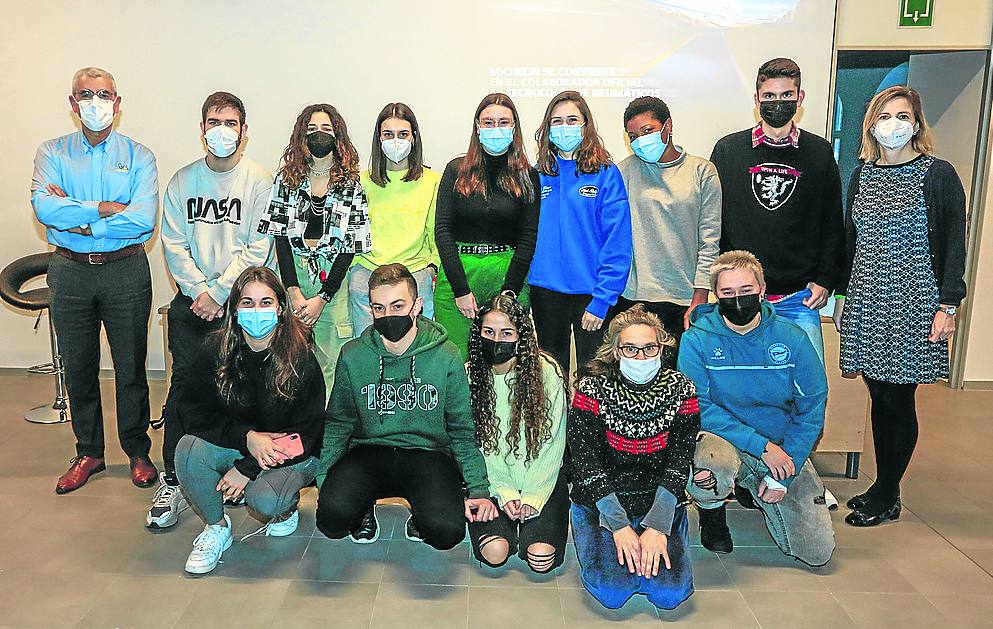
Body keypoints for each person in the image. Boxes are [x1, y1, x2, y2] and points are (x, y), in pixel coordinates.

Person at [834, 86, 967, 527]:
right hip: (868, 299)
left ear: (917, 122)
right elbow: (852, 243)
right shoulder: (863, 175)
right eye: (884, 116)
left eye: (902, 115)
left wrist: (948, 304)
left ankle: (889, 491)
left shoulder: (937, 174)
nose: (893, 124)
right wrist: (841, 296)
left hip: (916, 302)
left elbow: (953, 245)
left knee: (898, 398)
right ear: (871, 124)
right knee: (877, 393)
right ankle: (882, 485)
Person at [31, 67, 159, 494]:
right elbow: (45, 210)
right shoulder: (52, 152)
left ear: (118, 103)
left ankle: (137, 451)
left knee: (130, 367)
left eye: (104, 94)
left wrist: (80, 216)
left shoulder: (140, 156)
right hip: (69, 272)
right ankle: (89, 452)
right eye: (85, 94)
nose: (95, 102)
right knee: (79, 367)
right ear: (72, 103)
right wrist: (105, 208)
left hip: (125, 269)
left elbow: (142, 219)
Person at [150, 91, 274, 529]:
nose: (222, 130)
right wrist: (199, 292)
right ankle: (173, 478)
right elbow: (174, 242)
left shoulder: (260, 180)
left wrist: (222, 293)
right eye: (213, 122)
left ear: (244, 131)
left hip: (242, 303)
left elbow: (258, 245)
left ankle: (236, 472)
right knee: (185, 387)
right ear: (202, 129)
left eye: (230, 122)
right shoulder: (183, 181)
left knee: (241, 388)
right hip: (192, 302)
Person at [315, 263, 496, 550]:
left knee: (446, 532)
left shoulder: (447, 355)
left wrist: (479, 489)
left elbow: (461, 428)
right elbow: (339, 421)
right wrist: (325, 476)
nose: (388, 315)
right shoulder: (353, 355)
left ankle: (421, 512)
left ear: (417, 306)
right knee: (331, 519)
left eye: (397, 305)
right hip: (368, 451)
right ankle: (363, 505)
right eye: (379, 308)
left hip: (428, 452)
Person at [680, 251, 834, 566]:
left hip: (780, 446)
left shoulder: (793, 339)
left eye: (747, 291)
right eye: (728, 293)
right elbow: (699, 406)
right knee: (710, 462)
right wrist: (760, 447)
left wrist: (784, 475)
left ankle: (756, 487)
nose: (738, 299)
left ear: (762, 290)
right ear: (716, 295)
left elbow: (812, 408)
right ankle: (712, 514)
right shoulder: (696, 340)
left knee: (816, 552)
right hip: (723, 441)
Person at [174, 267, 325, 574]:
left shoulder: (301, 358)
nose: (257, 311)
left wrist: (247, 469)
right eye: (248, 302)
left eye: (266, 303)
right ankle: (217, 527)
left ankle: (286, 510)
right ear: (234, 308)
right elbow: (192, 412)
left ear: (281, 309)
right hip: (242, 444)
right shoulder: (214, 351)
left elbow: (307, 433)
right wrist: (247, 438)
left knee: (265, 501)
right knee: (188, 449)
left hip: (292, 453)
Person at [709, 57, 844, 362]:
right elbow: (713, 221)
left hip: (799, 298)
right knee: (741, 385)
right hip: (740, 297)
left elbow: (832, 223)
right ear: (757, 100)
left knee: (807, 389)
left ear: (800, 98)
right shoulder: (728, 150)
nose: (778, 103)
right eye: (769, 96)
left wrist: (826, 279)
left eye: (787, 95)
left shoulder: (819, 152)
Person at [568, 305, 699, 610]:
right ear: (615, 351)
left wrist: (657, 526)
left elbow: (680, 460)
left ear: (661, 347)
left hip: (659, 501)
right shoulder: (591, 390)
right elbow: (586, 463)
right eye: (630, 349)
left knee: (670, 596)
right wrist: (620, 526)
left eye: (648, 348)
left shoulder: (682, 389)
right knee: (612, 593)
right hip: (601, 502)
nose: (641, 357)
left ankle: (667, 534)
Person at [258, 104, 372, 396]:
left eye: (325, 129)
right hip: (292, 276)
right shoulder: (286, 180)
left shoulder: (352, 185)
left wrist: (323, 298)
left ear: (338, 136)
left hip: (333, 282)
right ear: (300, 137)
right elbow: (279, 237)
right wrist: (293, 290)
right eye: (311, 130)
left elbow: (350, 247)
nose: (318, 136)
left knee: (333, 362)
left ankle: (328, 433)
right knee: (288, 358)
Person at [529, 90, 632, 379]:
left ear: (586, 124)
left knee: (594, 377)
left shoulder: (606, 174)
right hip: (546, 292)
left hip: (592, 294)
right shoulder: (537, 174)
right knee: (551, 377)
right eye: (557, 121)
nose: (564, 127)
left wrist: (602, 299)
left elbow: (618, 242)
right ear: (547, 129)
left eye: (572, 119)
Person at [466, 295, 568, 572]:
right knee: (495, 553)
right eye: (489, 332)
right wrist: (505, 493)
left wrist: (533, 497)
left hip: (542, 479)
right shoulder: (469, 376)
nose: (496, 340)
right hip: (493, 481)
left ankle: (534, 528)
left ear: (521, 337)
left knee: (541, 558)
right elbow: (476, 446)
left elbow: (553, 443)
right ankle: (505, 530)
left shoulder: (548, 373)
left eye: (506, 333)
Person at [434, 93, 541, 359]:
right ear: (477, 127)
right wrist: (461, 289)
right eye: (489, 122)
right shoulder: (455, 170)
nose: (496, 129)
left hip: (507, 274)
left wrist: (510, 291)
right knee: (458, 361)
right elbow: (442, 230)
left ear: (514, 128)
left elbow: (529, 236)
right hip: (459, 273)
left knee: (505, 359)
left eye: (504, 122)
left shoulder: (528, 175)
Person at [618, 96, 721, 365]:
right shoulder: (623, 172)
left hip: (683, 298)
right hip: (632, 297)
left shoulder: (702, 171)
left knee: (677, 382)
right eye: (633, 136)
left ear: (668, 126)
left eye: (647, 131)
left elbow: (710, 240)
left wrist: (700, 296)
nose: (641, 140)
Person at [350, 102, 441, 333]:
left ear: (414, 137)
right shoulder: (360, 182)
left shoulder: (433, 181)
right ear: (379, 139)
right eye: (388, 135)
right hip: (367, 276)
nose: (396, 141)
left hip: (415, 274)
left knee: (420, 351)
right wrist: (355, 269)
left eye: (403, 134)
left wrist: (432, 268)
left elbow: (437, 233)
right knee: (368, 351)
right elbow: (350, 234)